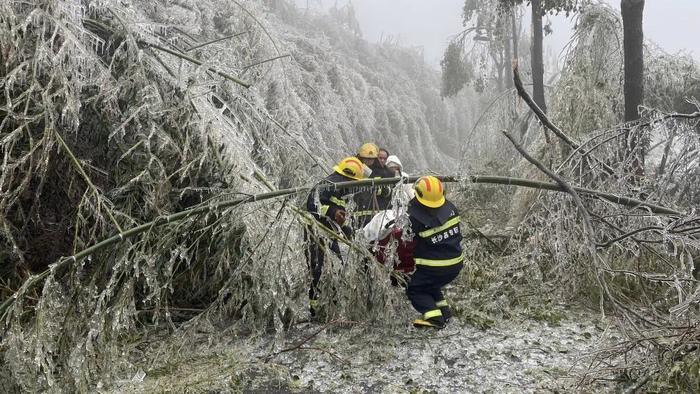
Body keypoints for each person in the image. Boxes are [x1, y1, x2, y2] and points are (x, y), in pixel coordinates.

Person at [305, 156, 367, 317]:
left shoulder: (344, 188)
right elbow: (312, 205)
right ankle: (315, 308)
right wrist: (332, 212)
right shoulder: (330, 184)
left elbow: (341, 213)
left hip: (330, 233)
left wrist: (347, 231)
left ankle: (331, 302)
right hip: (316, 232)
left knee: (337, 264)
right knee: (318, 268)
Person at [406, 175, 463, 329]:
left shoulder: (415, 218)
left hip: (434, 266)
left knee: (415, 289)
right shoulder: (451, 208)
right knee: (431, 285)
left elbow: (408, 243)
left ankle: (434, 318)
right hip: (456, 263)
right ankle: (445, 312)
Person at [353, 143, 394, 228]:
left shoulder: (386, 172)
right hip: (358, 212)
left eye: (371, 159)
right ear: (361, 157)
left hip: (377, 213)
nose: (368, 161)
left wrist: (382, 190)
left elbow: (391, 193)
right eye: (366, 158)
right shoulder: (354, 167)